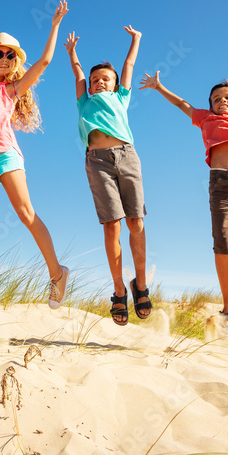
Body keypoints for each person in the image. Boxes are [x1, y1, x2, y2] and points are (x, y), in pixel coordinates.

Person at [139, 44, 228, 333]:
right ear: (211, 105)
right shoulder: (205, 119)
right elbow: (182, 104)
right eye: (216, 99)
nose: (222, 102)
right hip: (221, 185)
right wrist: (158, 87)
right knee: (222, 247)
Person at [0, 0, 70, 321]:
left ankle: (57, 273)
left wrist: (54, 25)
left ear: (14, 63)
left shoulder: (13, 89)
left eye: (9, 55)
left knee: (26, 214)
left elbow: (45, 61)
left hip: (7, 155)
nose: (3, 58)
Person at [64, 26, 151, 326]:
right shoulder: (84, 101)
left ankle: (140, 284)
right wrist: (73, 52)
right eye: (95, 80)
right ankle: (118, 289)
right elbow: (77, 75)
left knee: (136, 221)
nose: (100, 82)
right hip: (97, 161)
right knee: (111, 225)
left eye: (105, 80)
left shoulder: (121, 98)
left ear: (115, 86)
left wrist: (135, 40)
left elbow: (128, 66)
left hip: (127, 156)